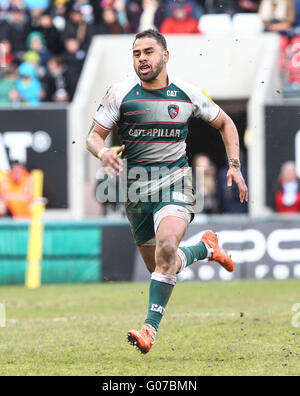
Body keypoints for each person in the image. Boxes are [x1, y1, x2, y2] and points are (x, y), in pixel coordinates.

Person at [86, 29, 248, 354]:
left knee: (168, 246)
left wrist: (234, 164)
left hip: (176, 182)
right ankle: (204, 248)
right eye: (136, 53)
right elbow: (93, 136)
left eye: (148, 51)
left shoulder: (187, 94)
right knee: (164, 265)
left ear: (165, 56)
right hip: (136, 193)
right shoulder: (120, 94)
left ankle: (149, 329)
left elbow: (226, 123)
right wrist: (102, 152)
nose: (142, 58)